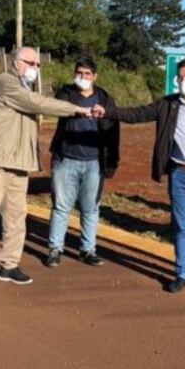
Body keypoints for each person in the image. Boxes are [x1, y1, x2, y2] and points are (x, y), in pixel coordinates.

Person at [0, 47, 95, 290]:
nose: (35, 68)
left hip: (19, 164)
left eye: (38, 65)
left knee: (16, 218)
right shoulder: (5, 83)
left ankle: (9, 264)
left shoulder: (23, 87)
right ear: (16, 62)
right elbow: (35, 103)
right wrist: (77, 109)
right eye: (31, 63)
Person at [100, 58, 185, 295]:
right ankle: (182, 274)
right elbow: (138, 113)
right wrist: (108, 112)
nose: (184, 81)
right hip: (179, 174)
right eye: (180, 77)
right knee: (182, 227)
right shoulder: (168, 104)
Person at [45, 56, 120, 267]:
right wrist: (79, 111)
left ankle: (87, 250)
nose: (83, 77)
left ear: (95, 76)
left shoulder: (105, 98)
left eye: (87, 74)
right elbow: (58, 107)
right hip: (66, 159)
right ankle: (55, 249)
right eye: (79, 73)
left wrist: (112, 160)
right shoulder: (66, 94)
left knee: (90, 208)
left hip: (94, 161)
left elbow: (114, 130)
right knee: (61, 206)